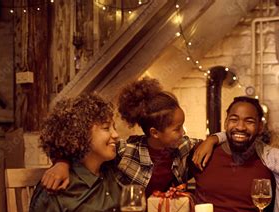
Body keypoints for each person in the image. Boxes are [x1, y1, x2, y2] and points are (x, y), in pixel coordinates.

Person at [41, 77, 218, 198]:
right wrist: (61, 162)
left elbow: (215, 142)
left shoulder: (183, 146)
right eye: (177, 129)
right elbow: (81, 151)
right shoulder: (125, 150)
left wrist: (213, 139)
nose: (183, 134)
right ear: (155, 133)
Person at [24, 95, 125, 212]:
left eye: (114, 127)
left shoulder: (114, 168)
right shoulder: (56, 185)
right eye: (106, 128)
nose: (116, 135)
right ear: (80, 134)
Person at [191, 96, 275, 212]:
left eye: (249, 121)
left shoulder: (270, 160)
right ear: (226, 123)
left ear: (260, 127)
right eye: (234, 120)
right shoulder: (202, 151)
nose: (240, 127)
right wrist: (212, 138)